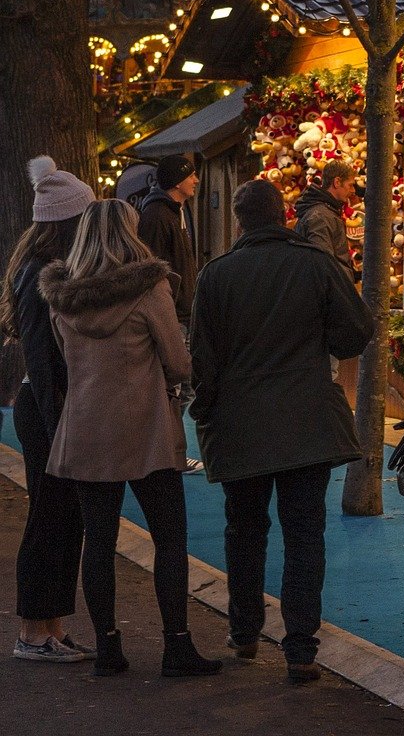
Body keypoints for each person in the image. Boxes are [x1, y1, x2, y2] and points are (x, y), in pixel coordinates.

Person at [189, 179, 375, 683]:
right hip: (307, 422)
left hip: (241, 424)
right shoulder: (314, 265)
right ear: (283, 216)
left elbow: (201, 358)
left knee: (244, 531)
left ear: (239, 221)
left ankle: (245, 631)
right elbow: (358, 328)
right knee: (304, 535)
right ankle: (300, 648)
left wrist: (205, 413)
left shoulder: (216, 277)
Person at [40, 199, 219, 677]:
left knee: (97, 541)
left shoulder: (62, 297)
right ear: (129, 233)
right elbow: (180, 363)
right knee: (169, 537)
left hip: (85, 431)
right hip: (146, 432)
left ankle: (110, 647)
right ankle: (176, 646)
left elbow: (65, 359)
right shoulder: (149, 288)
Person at [5, 157, 93, 663]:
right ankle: (34, 632)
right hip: (47, 412)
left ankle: (49, 628)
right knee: (50, 517)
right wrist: (59, 422)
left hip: (47, 410)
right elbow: (41, 359)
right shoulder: (41, 275)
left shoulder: (38, 268)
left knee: (60, 517)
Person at [135, 153, 199, 334]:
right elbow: (151, 264)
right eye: (191, 176)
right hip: (170, 316)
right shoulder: (157, 216)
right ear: (177, 182)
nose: (196, 180)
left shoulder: (174, 212)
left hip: (181, 312)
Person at [293, 160, 357, 281]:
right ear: (337, 182)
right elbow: (322, 265)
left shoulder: (325, 212)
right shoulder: (321, 216)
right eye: (350, 185)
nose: (353, 190)